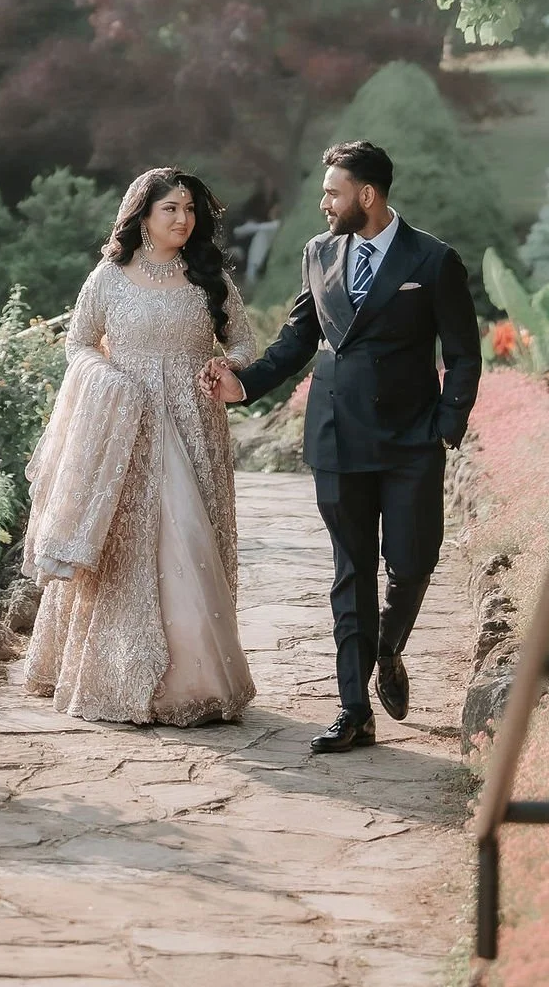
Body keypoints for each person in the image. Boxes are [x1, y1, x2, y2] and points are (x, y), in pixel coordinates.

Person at [203, 136, 481, 754]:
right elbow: (297, 338)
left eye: (332, 192)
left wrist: (446, 424)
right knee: (350, 570)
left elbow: (463, 354)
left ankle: (389, 644)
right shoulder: (318, 253)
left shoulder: (433, 261)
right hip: (337, 432)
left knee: (413, 560)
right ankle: (353, 707)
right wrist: (243, 383)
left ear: (367, 194)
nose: (324, 203)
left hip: (411, 438)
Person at [21, 166, 259, 727]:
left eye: (190, 210)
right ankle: (116, 675)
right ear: (143, 217)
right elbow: (78, 343)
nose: (182, 219)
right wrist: (109, 380)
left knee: (189, 542)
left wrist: (227, 363)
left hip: (193, 425)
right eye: (170, 209)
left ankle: (194, 684)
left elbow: (245, 341)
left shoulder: (210, 277)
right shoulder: (109, 276)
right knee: (126, 552)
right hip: (124, 429)